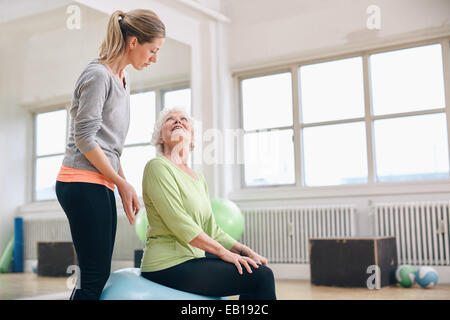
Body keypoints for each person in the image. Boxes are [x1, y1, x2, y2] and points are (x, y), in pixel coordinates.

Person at [55, 9, 165, 300]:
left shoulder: (123, 79)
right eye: (152, 50)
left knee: (97, 273)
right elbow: (84, 137)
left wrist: (123, 184)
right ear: (133, 42)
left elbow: (110, 147)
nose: (154, 57)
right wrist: (120, 182)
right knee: (92, 276)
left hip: (98, 180)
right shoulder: (97, 75)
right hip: (79, 181)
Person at [140, 107, 277, 300]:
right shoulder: (157, 167)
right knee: (262, 277)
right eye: (170, 119)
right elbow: (179, 222)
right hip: (166, 263)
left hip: (193, 258)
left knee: (254, 267)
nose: (178, 121)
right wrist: (223, 253)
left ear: (192, 138)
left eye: (183, 119)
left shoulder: (198, 178)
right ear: (160, 137)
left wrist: (245, 251)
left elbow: (212, 229)